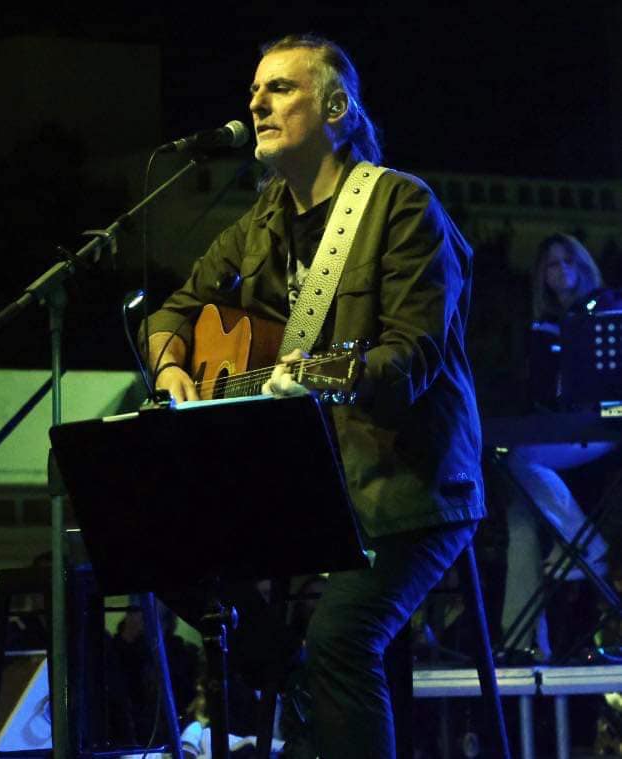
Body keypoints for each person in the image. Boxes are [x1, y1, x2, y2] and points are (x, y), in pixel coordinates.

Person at [144, 35, 484, 758]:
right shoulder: (261, 221)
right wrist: (171, 367)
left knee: (342, 636)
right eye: (253, 91)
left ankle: (309, 684)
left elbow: (414, 353)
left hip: (409, 486)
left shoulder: (400, 205)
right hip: (311, 485)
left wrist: (335, 375)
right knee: (155, 544)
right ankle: (292, 679)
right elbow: (173, 310)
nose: (256, 104)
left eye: (280, 89)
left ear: (336, 108)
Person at [500, 233, 612, 659]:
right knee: (519, 517)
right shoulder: (540, 325)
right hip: (559, 430)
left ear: (583, 265)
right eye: (551, 264)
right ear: (541, 277)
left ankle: (587, 544)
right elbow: (537, 390)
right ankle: (523, 644)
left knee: (522, 459)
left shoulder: (608, 309)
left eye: (568, 261)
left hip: (604, 425)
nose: (561, 270)